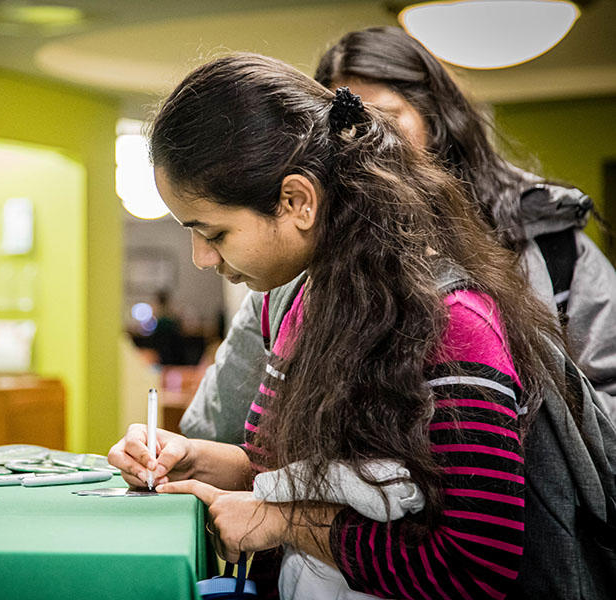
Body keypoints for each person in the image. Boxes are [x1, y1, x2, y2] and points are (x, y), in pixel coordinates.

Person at [109, 53, 583, 598]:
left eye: (213, 233)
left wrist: (288, 523)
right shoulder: (304, 301)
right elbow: (309, 476)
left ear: (297, 201)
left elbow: (475, 564)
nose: (200, 258)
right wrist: (214, 464)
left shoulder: (454, 326)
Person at [180, 26, 616, 443]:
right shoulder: (295, 264)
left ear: (437, 119)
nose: (359, 138)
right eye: (342, 122)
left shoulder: (553, 248)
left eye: (383, 117)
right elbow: (215, 425)